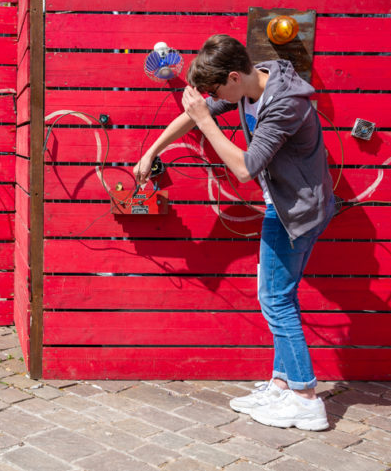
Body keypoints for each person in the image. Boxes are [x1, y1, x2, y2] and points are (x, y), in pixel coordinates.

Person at [134, 34, 335, 431]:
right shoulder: (248, 84)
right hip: (285, 203)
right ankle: (283, 385)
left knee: (275, 299)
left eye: (214, 91)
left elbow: (246, 169)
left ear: (232, 77)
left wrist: (207, 122)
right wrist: (153, 149)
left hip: (296, 210)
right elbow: (194, 114)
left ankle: (306, 398)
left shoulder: (285, 104)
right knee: (278, 294)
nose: (211, 98)